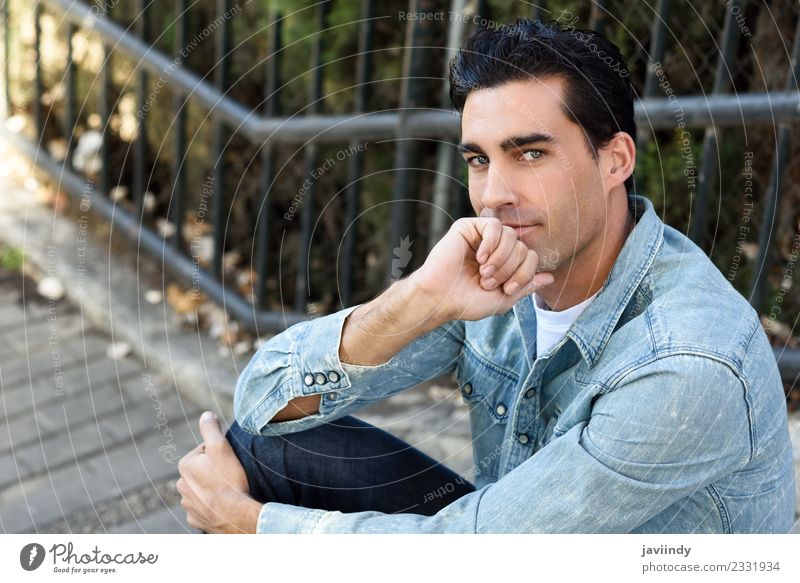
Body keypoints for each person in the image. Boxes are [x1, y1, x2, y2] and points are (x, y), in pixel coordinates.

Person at [176, 18, 796, 534]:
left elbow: (487, 549)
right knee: (268, 449)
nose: (494, 195)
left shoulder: (688, 362)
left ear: (615, 160)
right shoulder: (501, 273)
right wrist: (420, 300)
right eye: (479, 159)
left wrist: (253, 529)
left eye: (531, 154)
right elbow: (261, 403)